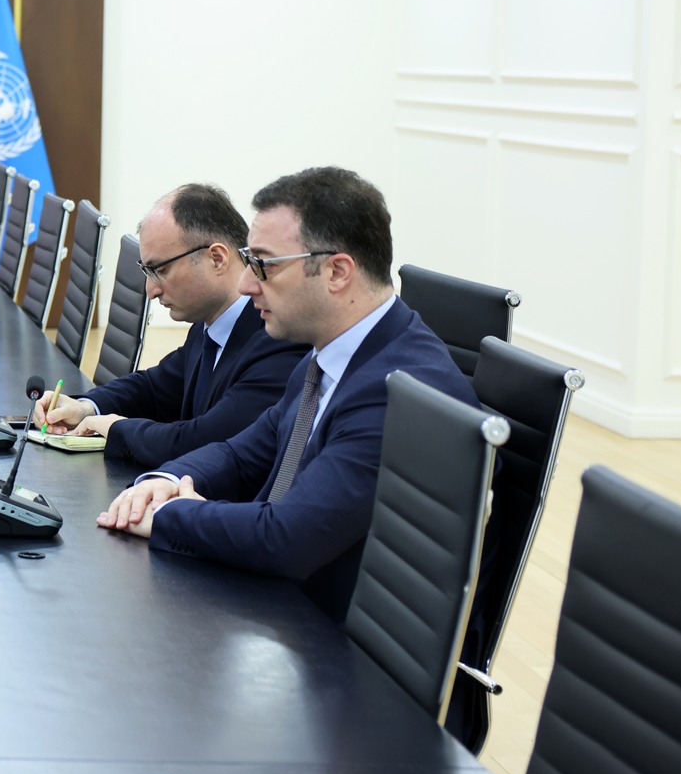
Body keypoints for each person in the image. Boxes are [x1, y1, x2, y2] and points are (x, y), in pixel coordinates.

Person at [95, 167, 476, 620]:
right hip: (283, 603)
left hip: (329, 637)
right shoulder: (325, 356)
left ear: (337, 272)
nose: (245, 284)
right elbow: (240, 454)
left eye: (265, 265)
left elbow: (288, 537)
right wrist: (166, 481)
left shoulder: (395, 390)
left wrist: (169, 516)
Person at [31, 184, 306, 467]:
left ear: (217, 259)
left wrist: (116, 429)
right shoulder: (208, 324)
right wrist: (85, 407)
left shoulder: (277, 340)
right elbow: (153, 388)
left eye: (160, 270)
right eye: (147, 271)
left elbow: (203, 442)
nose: (151, 290)